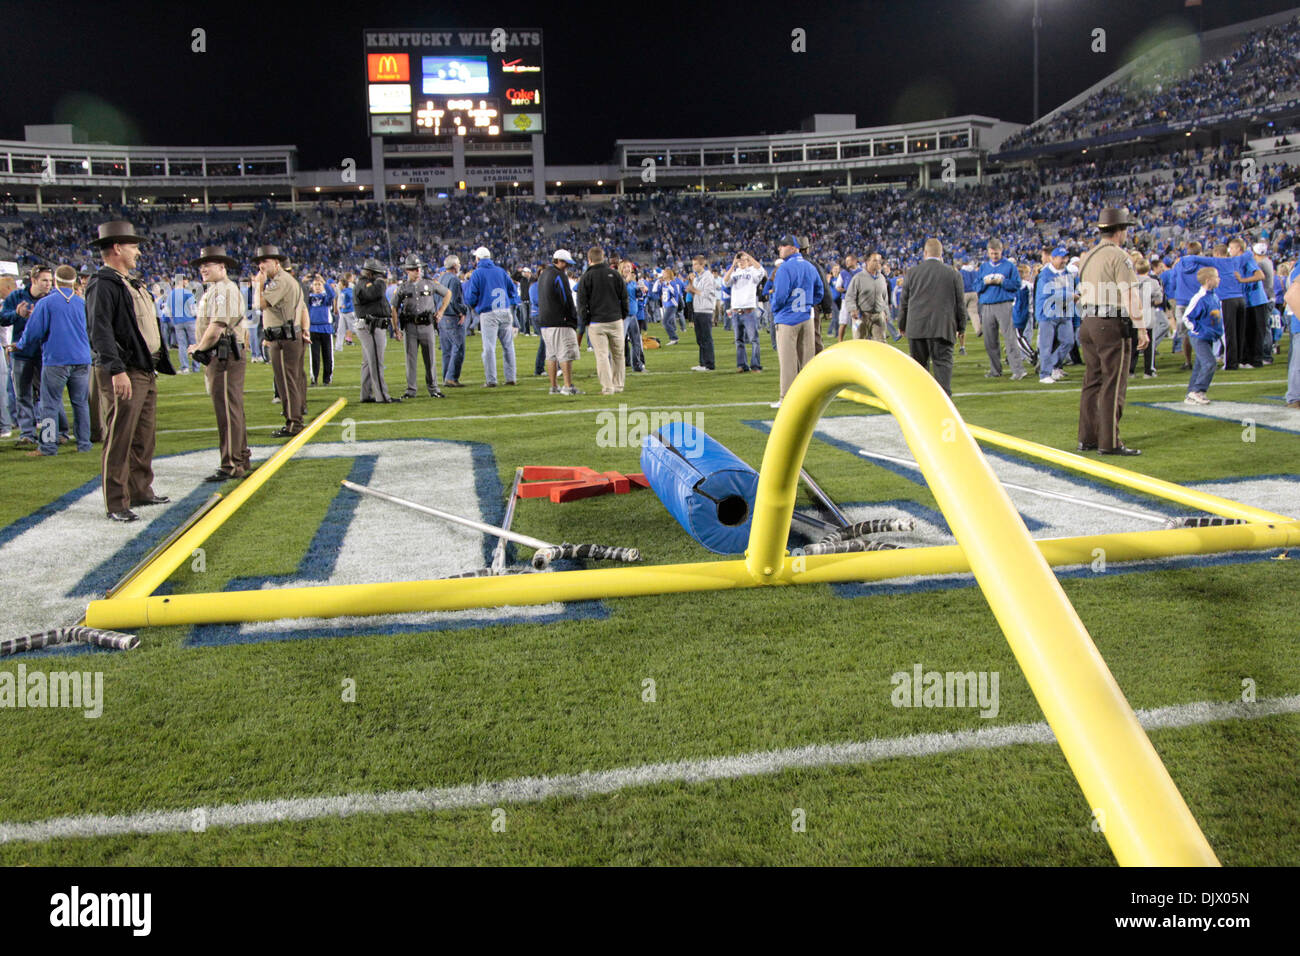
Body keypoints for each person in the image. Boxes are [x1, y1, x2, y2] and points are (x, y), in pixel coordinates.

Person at [85, 220, 175, 522]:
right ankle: (116, 502)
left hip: (144, 369)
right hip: (126, 370)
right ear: (117, 248)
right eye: (133, 246)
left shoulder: (129, 282)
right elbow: (100, 331)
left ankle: (140, 489)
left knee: (144, 436)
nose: (138, 251)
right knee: (120, 436)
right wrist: (116, 369)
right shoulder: (103, 284)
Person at [1075, 207, 1148, 456]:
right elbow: (1129, 294)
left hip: (1087, 321)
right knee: (1113, 383)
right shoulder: (1119, 256)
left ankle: (1087, 438)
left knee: (1092, 381)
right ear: (1121, 230)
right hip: (1110, 322)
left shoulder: (1087, 256)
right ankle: (1110, 442)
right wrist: (1141, 327)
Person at [8, 265, 92, 457]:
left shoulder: (47, 303)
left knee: (49, 404)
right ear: (74, 281)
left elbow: (33, 332)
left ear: (56, 280)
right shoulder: (82, 303)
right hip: (81, 359)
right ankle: (84, 444)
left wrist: (20, 345)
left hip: (57, 360)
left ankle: (47, 446)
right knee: (80, 403)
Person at [187, 246, 251, 481]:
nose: (203, 268)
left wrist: (199, 348)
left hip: (224, 355)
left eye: (209, 264)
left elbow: (216, 328)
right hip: (223, 355)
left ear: (222, 267)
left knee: (226, 409)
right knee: (231, 407)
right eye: (201, 265)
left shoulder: (223, 290)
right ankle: (240, 457)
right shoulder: (216, 289)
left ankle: (232, 464)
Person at [2, 265, 63, 446]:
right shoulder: (16, 297)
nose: (48, 284)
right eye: (45, 280)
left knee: (50, 395)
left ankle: (55, 432)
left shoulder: (53, 298)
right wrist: (17, 314)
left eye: (50, 281)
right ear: (34, 280)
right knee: (23, 395)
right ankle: (27, 433)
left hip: (46, 354)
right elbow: (2, 318)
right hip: (22, 354)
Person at [897, 239, 965, 396]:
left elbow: (904, 303)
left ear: (925, 253)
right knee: (943, 373)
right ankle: (942, 413)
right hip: (943, 328)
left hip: (916, 329)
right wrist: (961, 327)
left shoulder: (912, 273)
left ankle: (921, 410)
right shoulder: (953, 274)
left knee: (919, 372)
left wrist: (902, 324)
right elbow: (960, 304)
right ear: (941, 254)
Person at [253, 244, 308, 436]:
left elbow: (259, 304)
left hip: (284, 339)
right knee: (292, 379)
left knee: (286, 381)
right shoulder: (287, 280)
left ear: (276, 263)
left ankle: (294, 423)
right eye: (259, 262)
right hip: (289, 336)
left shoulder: (280, 281)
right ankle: (296, 416)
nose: (261, 266)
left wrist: (258, 284)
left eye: (265, 262)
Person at [769, 235, 822, 410]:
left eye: (782, 246)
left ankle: (786, 398)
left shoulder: (784, 268)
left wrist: (776, 309)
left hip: (787, 319)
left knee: (788, 362)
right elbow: (819, 292)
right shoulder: (810, 266)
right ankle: (809, 397)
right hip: (806, 317)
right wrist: (807, 304)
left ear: (793, 248)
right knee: (807, 361)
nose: (779, 249)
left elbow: (780, 295)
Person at [392, 254, 450, 398]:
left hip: (427, 325)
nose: (417, 271)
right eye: (413, 269)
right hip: (410, 326)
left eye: (418, 269)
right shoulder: (402, 288)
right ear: (407, 271)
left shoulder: (429, 283)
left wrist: (441, 311)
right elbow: (393, 307)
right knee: (410, 360)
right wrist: (396, 328)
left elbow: (448, 293)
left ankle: (434, 389)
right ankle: (411, 390)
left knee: (430, 359)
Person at [462, 246, 519, 387]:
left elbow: (471, 297)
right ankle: (511, 378)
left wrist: (474, 306)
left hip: (488, 313)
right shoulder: (501, 271)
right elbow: (513, 290)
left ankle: (491, 379)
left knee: (489, 348)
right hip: (505, 311)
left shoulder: (477, 273)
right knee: (508, 347)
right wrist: (510, 303)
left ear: (477, 259)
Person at [575, 246, 628, 395]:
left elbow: (581, 302)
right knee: (618, 354)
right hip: (615, 320)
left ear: (589, 259)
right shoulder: (614, 274)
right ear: (603, 258)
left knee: (602, 356)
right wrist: (622, 314)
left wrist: (586, 320)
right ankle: (618, 385)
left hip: (596, 322)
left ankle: (608, 387)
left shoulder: (586, 277)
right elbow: (623, 297)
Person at [977, 238, 1025, 379]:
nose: (994, 256)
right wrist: (985, 283)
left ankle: (1018, 370)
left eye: (996, 254)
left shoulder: (1009, 266)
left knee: (1009, 338)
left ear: (1001, 251)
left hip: (1004, 304)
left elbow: (1016, 285)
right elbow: (976, 286)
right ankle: (995, 370)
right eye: (992, 254)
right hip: (986, 305)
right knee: (989, 340)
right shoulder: (984, 267)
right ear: (988, 252)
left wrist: (1002, 282)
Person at [354, 258, 400, 403]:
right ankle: (382, 396)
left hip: (373, 326)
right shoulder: (363, 285)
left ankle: (366, 394)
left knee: (368, 363)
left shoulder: (365, 284)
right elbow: (375, 293)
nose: (381, 278)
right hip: (371, 326)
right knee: (376, 362)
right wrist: (380, 282)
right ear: (371, 273)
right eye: (378, 274)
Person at [538, 249, 581, 395]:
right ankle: (568, 386)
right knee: (565, 354)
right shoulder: (559, 275)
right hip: (559, 321)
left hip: (545, 321)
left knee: (551, 355)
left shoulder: (543, 274)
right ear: (559, 261)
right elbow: (566, 297)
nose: (567, 266)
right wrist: (572, 317)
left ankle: (554, 387)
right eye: (566, 263)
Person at [1182, 267, 1224, 406]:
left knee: (1200, 366)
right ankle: (1198, 390)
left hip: (1209, 337)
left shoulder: (1214, 297)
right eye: (1217, 277)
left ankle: (1190, 394)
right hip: (1199, 337)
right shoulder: (1199, 298)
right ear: (1208, 280)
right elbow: (1187, 317)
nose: (1219, 279)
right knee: (1209, 363)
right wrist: (1198, 330)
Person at [1035, 246, 1077, 384]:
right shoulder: (1044, 275)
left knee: (1069, 341)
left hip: (1064, 313)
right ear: (1052, 258)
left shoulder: (1067, 274)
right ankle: (1044, 374)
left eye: (1066, 257)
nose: (1064, 260)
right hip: (1048, 313)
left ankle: (1053, 366)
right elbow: (1048, 293)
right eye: (1061, 257)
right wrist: (1069, 295)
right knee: (1046, 346)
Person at [723, 251, 766, 373]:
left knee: (754, 340)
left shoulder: (752, 272)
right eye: (739, 260)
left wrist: (749, 257)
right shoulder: (734, 273)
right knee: (739, 340)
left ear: (748, 261)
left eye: (743, 260)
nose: (741, 262)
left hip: (749, 310)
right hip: (736, 310)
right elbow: (725, 281)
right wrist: (733, 265)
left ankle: (755, 365)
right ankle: (742, 365)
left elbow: (761, 270)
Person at [436, 255, 467, 387]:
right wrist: (462, 311)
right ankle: (451, 377)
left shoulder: (440, 278)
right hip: (451, 316)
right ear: (455, 266)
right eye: (458, 263)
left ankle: (446, 376)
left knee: (446, 350)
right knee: (458, 347)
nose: (460, 265)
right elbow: (454, 300)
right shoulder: (454, 280)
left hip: (441, 316)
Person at [846, 251, 889, 342]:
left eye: (879, 261)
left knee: (881, 344)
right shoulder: (858, 278)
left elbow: (885, 298)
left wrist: (886, 312)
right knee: (859, 343)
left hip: (878, 315)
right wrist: (853, 309)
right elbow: (850, 296)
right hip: (862, 315)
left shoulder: (881, 278)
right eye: (875, 261)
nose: (878, 263)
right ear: (867, 262)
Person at [686, 255, 717, 371]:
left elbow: (707, 293)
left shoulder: (707, 277)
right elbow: (693, 291)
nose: (693, 267)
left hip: (705, 310)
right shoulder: (698, 277)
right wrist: (691, 282)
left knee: (706, 338)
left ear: (702, 265)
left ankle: (709, 364)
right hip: (698, 309)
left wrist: (693, 289)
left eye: (695, 264)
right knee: (700, 339)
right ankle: (702, 363)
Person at [163, 273, 198, 373]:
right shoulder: (188, 293)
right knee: (194, 344)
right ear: (181, 281)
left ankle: (185, 367)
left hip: (178, 322)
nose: (187, 282)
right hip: (190, 321)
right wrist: (195, 316)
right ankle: (196, 367)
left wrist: (173, 320)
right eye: (185, 280)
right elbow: (193, 308)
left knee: (182, 345)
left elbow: (167, 311)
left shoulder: (171, 295)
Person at [306, 275, 335, 386]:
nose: (317, 286)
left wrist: (325, 282)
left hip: (326, 328)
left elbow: (332, 295)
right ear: (312, 286)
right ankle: (314, 378)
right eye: (315, 284)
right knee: (314, 356)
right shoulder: (309, 298)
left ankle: (327, 379)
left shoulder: (325, 298)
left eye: (319, 284)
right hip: (313, 328)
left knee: (328, 355)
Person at [620, 261, 647, 374]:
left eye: (629, 267)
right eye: (625, 267)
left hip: (633, 315)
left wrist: (642, 291)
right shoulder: (619, 280)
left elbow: (637, 297)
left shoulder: (632, 282)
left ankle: (637, 365)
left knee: (636, 341)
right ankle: (613, 365)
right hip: (623, 316)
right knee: (619, 342)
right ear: (621, 269)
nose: (627, 269)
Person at [652, 267, 681, 344]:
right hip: (666, 305)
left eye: (664, 273)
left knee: (665, 322)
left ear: (668, 274)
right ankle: (674, 337)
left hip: (672, 304)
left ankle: (674, 338)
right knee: (668, 322)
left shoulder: (672, 282)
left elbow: (675, 293)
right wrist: (658, 282)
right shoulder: (664, 283)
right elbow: (656, 291)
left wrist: (668, 285)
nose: (663, 275)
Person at [334, 273, 356, 351]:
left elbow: (352, 299)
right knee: (340, 330)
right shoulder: (343, 291)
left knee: (355, 329)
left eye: (340, 284)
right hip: (343, 313)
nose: (338, 285)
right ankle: (338, 347)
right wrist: (342, 306)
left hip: (349, 313)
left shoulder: (348, 290)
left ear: (344, 285)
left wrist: (346, 305)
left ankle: (367, 339)